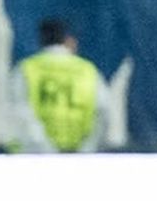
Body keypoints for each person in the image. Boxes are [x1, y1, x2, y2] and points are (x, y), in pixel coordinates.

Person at [9, 17, 111, 153]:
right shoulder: (88, 71)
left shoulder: (27, 69)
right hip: (79, 153)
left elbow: (19, 113)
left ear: (41, 40)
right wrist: (88, 149)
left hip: (36, 155)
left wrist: (44, 149)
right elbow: (103, 112)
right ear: (68, 40)